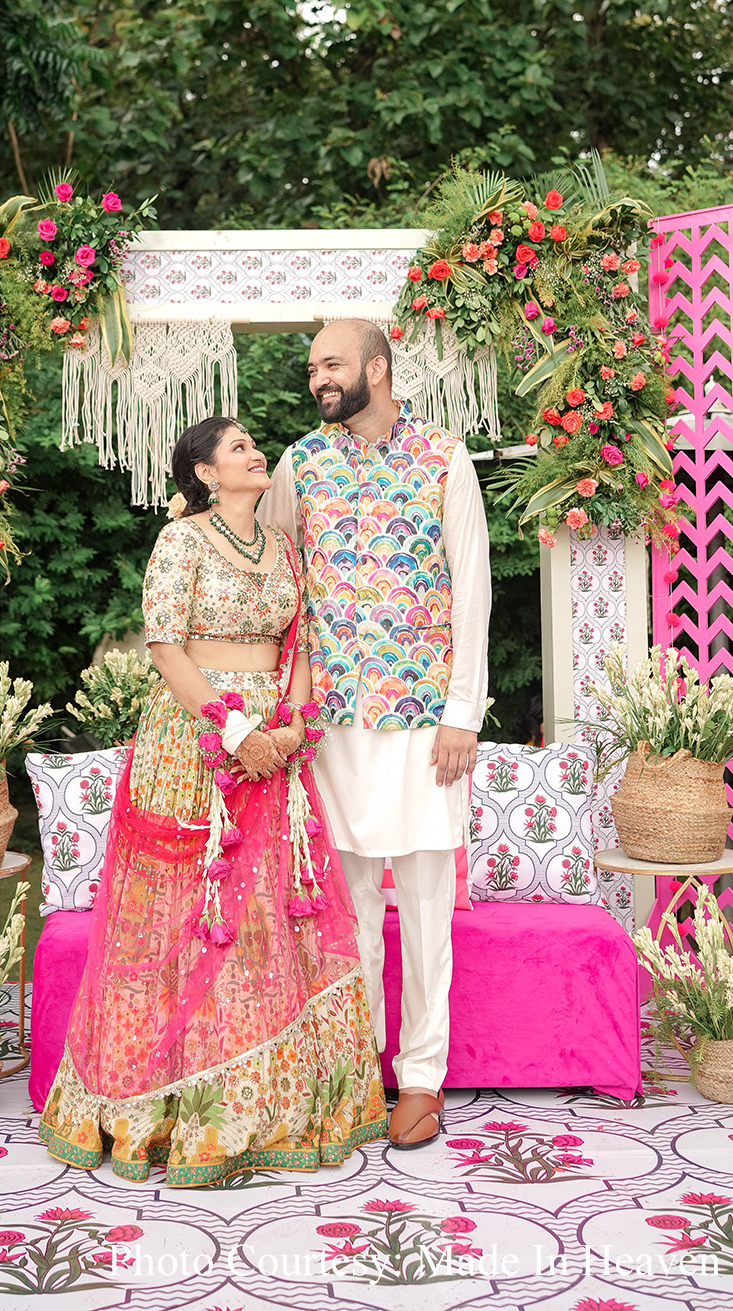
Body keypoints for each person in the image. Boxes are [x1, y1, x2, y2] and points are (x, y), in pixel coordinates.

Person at [39, 415, 386, 1186]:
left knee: (270, 915)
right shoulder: (182, 541)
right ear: (204, 473)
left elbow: (301, 642)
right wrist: (232, 730)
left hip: (276, 741)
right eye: (238, 448)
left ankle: (264, 1108)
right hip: (196, 740)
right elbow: (165, 645)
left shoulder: (283, 546)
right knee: (193, 913)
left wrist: (289, 726)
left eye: (253, 445)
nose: (256, 453)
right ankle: (169, 1111)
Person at [259, 319, 491, 1150]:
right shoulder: (299, 463)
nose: (318, 378)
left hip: (424, 719)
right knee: (345, 905)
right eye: (312, 368)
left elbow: (472, 584)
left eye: (332, 363)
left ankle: (421, 1077)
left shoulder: (443, 457)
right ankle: (356, 1071)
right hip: (329, 722)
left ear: (377, 368)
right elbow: (274, 578)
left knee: (425, 904)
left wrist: (463, 712)